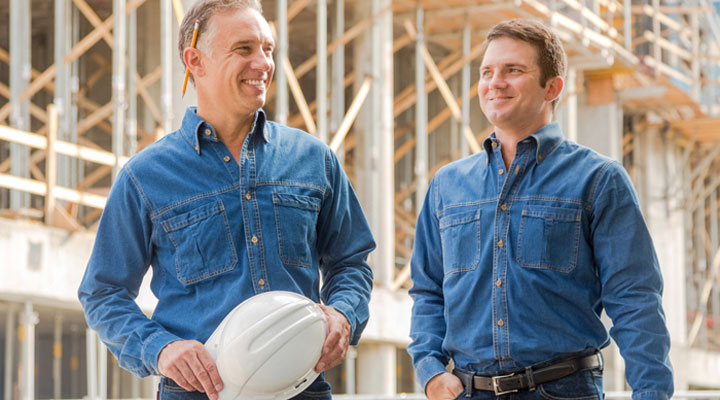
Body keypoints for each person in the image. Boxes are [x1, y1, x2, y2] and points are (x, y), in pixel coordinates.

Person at [77, 1, 375, 399]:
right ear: (195, 61)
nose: (264, 63)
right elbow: (103, 292)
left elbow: (351, 262)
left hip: (301, 389)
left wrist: (342, 312)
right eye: (244, 49)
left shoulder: (313, 159)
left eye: (268, 49)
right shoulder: (145, 177)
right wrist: (161, 349)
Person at [408, 19, 673, 400]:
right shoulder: (447, 185)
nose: (494, 82)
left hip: (565, 390)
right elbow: (428, 291)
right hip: (467, 391)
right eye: (487, 72)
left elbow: (635, 298)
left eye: (513, 70)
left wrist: (652, 394)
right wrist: (430, 369)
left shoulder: (597, 179)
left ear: (553, 87)